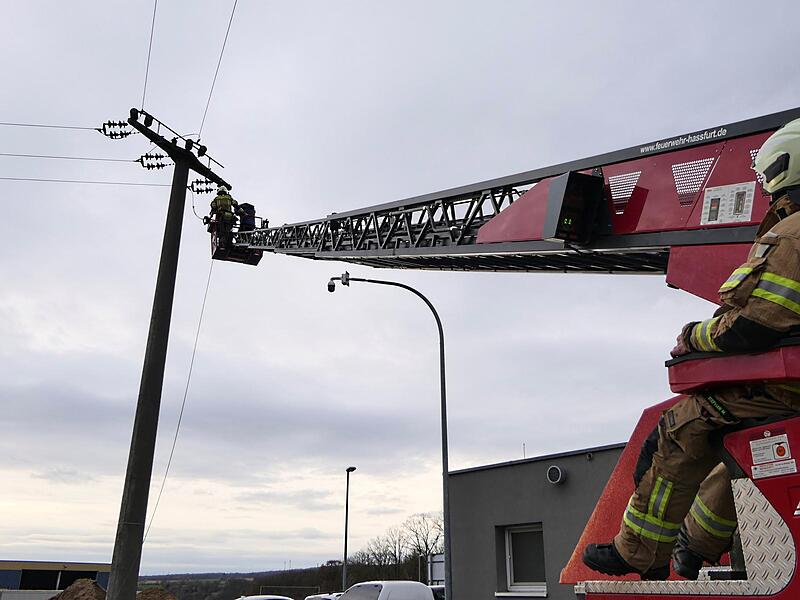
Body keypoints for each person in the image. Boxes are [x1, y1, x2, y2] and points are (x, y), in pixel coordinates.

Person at [582, 119, 800, 580]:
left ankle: (640, 553)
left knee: (683, 427)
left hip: (790, 389)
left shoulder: (793, 235)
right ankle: (692, 547)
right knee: (743, 450)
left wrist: (692, 336)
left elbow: (754, 326)